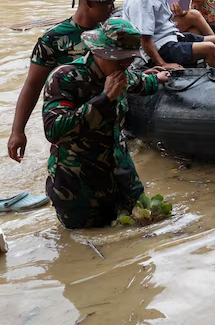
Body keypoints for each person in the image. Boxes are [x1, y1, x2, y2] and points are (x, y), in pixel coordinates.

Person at [43, 19, 170, 229]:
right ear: (99, 52)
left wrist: (158, 78)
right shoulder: (65, 78)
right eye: (119, 59)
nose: (125, 64)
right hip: (78, 182)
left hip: (120, 171)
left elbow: (140, 83)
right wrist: (104, 99)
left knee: (144, 229)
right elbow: (54, 130)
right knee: (85, 242)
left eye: (129, 59)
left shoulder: (122, 74)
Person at [7, 0, 124, 163]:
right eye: (107, 3)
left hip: (109, 120)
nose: (112, 8)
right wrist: (17, 131)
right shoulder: (54, 39)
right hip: (74, 124)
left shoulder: (110, 33)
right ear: (88, 2)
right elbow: (32, 85)